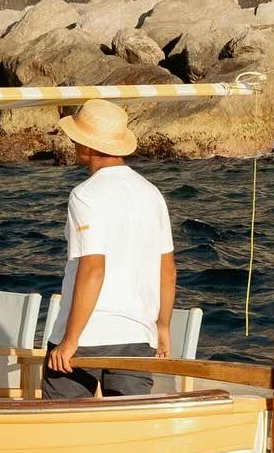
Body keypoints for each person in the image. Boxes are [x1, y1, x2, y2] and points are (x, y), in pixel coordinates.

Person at [43, 100, 175, 400]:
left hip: (88, 336)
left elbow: (93, 269)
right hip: (137, 336)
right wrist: (162, 326)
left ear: (87, 147)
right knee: (128, 432)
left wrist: (70, 340)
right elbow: (167, 270)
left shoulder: (85, 195)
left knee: (63, 430)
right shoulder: (152, 194)